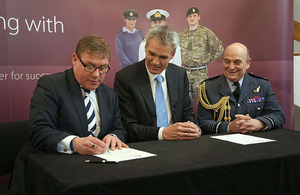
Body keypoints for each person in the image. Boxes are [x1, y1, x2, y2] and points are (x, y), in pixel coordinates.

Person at [29, 34, 128, 155]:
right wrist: (74, 143)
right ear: (75, 59)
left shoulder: (110, 94)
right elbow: (38, 131)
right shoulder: (51, 86)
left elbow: (119, 129)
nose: (96, 74)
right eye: (90, 66)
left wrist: (113, 136)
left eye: (102, 67)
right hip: (57, 163)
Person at [114, 25, 201, 142]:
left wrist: (193, 128)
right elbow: (128, 127)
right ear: (145, 48)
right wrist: (163, 133)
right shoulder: (125, 78)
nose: (155, 62)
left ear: (173, 55)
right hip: (144, 147)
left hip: (179, 145)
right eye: (152, 54)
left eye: (163, 57)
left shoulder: (180, 75)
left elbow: (188, 114)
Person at [197, 42, 286, 134]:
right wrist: (229, 127)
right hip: (221, 144)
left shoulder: (262, 85)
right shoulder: (208, 87)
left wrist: (259, 123)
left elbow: (278, 116)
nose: (231, 67)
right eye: (227, 61)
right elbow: (202, 123)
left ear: (247, 63)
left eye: (237, 62)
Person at [179, 7, 224, 102]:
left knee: (202, 102)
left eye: (194, 16)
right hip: (186, 73)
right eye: (190, 16)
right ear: (186, 18)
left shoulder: (206, 32)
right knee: (186, 102)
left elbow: (219, 49)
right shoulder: (181, 34)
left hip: (200, 73)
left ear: (199, 17)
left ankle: (203, 118)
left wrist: (207, 60)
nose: (192, 18)